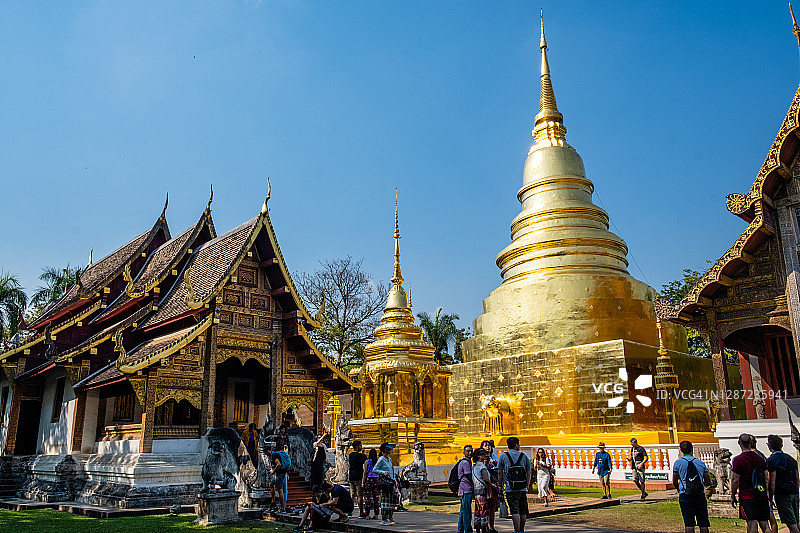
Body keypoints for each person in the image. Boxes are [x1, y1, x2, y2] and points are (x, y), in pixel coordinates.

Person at [731, 433, 771, 533]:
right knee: (765, 525)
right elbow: (766, 477)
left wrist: (733, 494)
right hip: (761, 495)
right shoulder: (760, 459)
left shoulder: (738, 460)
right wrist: (765, 491)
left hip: (747, 496)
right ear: (751, 443)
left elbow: (735, 480)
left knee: (752, 524)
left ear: (739, 443)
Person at [672, 440, 711, 533]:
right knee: (703, 523)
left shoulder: (678, 463)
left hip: (685, 493)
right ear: (692, 449)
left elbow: (674, 480)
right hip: (699, 494)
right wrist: (700, 485)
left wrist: (678, 489)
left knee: (689, 523)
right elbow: (708, 481)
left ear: (681, 450)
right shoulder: (700, 463)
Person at [767, 434, 800, 533]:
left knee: (791, 524)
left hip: (782, 493)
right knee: (796, 521)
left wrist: (770, 497)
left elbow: (772, 481)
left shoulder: (772, 460)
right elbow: (797, 479)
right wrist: (796, 491)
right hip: (793, 491)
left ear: (769, 446)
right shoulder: (791, 459)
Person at [498, 436, 532, 533]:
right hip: (522, 487)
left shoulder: (503, 456)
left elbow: (500, 472)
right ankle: (521, 529)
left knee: (514, 510)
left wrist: (500, 486)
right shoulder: (523, 456)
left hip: (510, 487)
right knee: (523, 510)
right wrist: (527, 484)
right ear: (516, 445)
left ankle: (516, 530)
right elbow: (529, 471)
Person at [750, 434, 779, 533]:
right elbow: (768, 476)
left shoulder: (744, 457)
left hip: (751, 492)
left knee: (751, 522)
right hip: (763, 491)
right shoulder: (762, 456)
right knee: (768, 520)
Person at [372, 442, 397, 526]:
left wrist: (395, 481)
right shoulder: (381, 459)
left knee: (391, 501)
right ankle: (384, 518)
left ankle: (390, 516)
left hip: (391, 482)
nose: (390, 450)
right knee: (385, 501)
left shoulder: (389, 459)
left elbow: (392, 471)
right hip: (385, 483)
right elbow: (374, 469)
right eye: (389, 449)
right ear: (385, 450)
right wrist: (383, 472)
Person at [481, 440, 500, 533]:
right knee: (485, 507)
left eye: (489, 445)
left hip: (494, 485)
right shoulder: (481, 459)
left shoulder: (495, 457)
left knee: (492, 508)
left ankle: (491, 527)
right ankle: (485, 527)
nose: (488, 447)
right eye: (485, 445)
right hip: (485, 485)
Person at [473, 449, 492, 533]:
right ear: (478, 456)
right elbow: (485, 479)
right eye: (483, 454)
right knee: (483, 510)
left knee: (478, 509)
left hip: (476, 490)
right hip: (482, 490)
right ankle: (484, 528)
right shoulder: (482, 466)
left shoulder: (474, 466)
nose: (485, 455)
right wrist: (491, 485)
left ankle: (477, 527)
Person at [457, 444, 474, 533]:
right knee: (467, 512)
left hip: (464, 489)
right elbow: (468, 475)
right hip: (466, 489)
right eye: (468, 451)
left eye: (471, 451)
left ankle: (460, 529)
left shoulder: (467, 462)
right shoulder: (465, 463)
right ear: (464, 452)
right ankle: (467, 530)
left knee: (463, 511)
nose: (470, 453)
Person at [348, 440, 367, 518]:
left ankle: (349, 512)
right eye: (360, 446)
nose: (361, 447)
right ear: (357, 447)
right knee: (360, 495)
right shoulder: (361, 456)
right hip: (359, 477)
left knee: (352, 495)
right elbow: (365, 463)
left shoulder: (350, 455)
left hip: (351, 476)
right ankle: (361, 512)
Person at [270, 444, 291, 511]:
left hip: (280, 474)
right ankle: (273, 502)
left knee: (280, 490)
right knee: (271, 484)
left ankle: (282, 508)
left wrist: (273, 471)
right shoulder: (282, 453)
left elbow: (279, 464)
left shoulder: (274, 455)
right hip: (284, 472)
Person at [361, 448, 380, 519]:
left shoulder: (367, 461)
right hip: (376, 479)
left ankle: (367, 514)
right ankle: (376, 514)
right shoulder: (377, 461)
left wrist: (363, 481)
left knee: (367, 498)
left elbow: (365, 472)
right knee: (376, 498)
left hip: (369, 479)